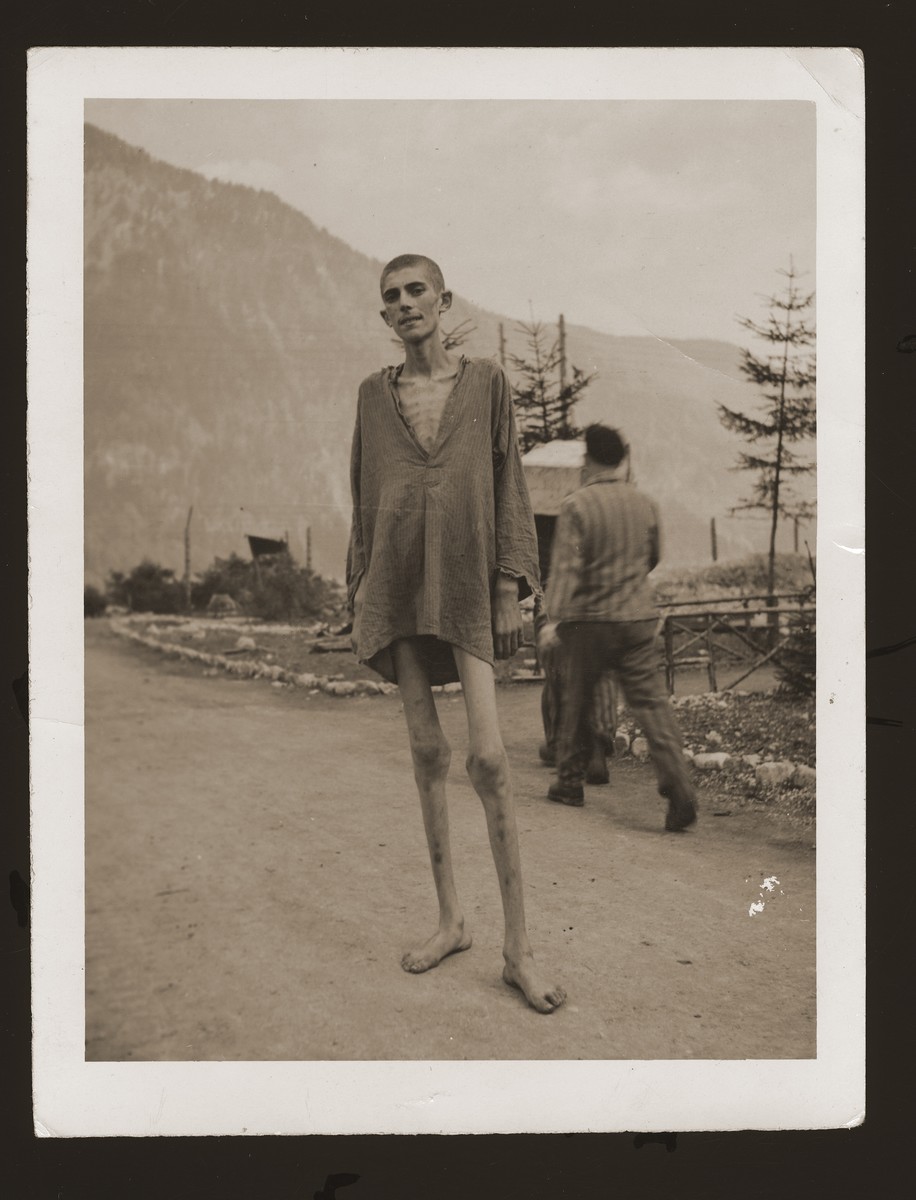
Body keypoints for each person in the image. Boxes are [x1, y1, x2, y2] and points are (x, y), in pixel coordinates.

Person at [346, 253, 566, 1013]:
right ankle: (451, 921)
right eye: (391, 297)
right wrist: (361, 585)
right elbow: (363, 494)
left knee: (491, 760)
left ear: (443, 301)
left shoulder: (487, 386)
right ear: (384, 318)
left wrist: (510, 585)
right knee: (426, 751)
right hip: (398, 582)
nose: (405, 304)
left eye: (416, 291)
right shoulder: (374, 399)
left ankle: (520, 950)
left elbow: (510, 482)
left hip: (471, 582)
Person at [537, 424, 698, 830]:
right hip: (638, 618)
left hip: (590, 623)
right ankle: (679, 789)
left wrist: (554, 619)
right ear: (622, 459)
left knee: (576, 700)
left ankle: (570, 783)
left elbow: (567, 569)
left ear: (587, 459)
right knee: (652, 706)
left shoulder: (576, 505)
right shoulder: (645, 503)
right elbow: (654, 557)